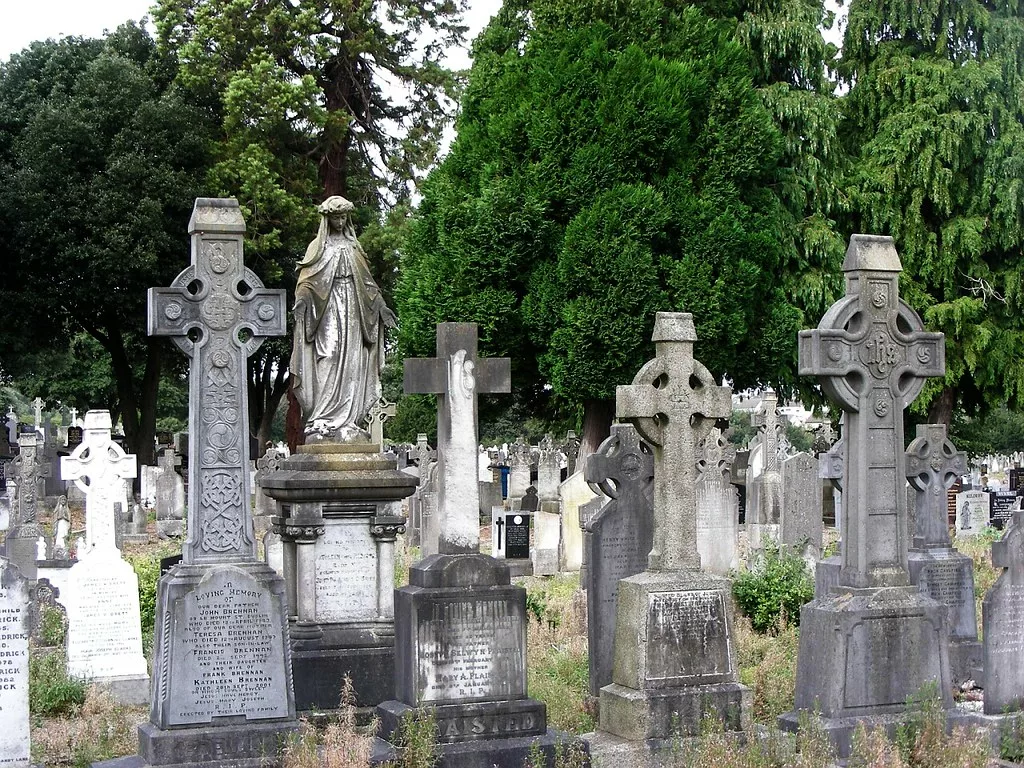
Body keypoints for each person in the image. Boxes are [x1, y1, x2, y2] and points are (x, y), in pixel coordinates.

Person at [289, 196, 397, 442]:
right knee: (328, 356)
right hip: (327, 310)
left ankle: (349, 421)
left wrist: (381, 307)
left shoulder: (354, 248)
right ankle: (322, 418)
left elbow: (369, 286)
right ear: (326, 219)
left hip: (354, 310)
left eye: (343, 217)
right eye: (335, 217)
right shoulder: (317, 248)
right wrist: (302, 302)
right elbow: (307, 282)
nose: (339, 221)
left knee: (352, 363)